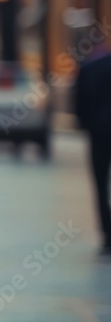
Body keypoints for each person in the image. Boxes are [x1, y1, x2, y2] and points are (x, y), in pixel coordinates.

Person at [75, 39, 111, 256]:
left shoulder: (88, 68)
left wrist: (85, 124)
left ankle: (108, 234)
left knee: (100, 185)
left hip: (98, 135)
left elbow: (79, 104)